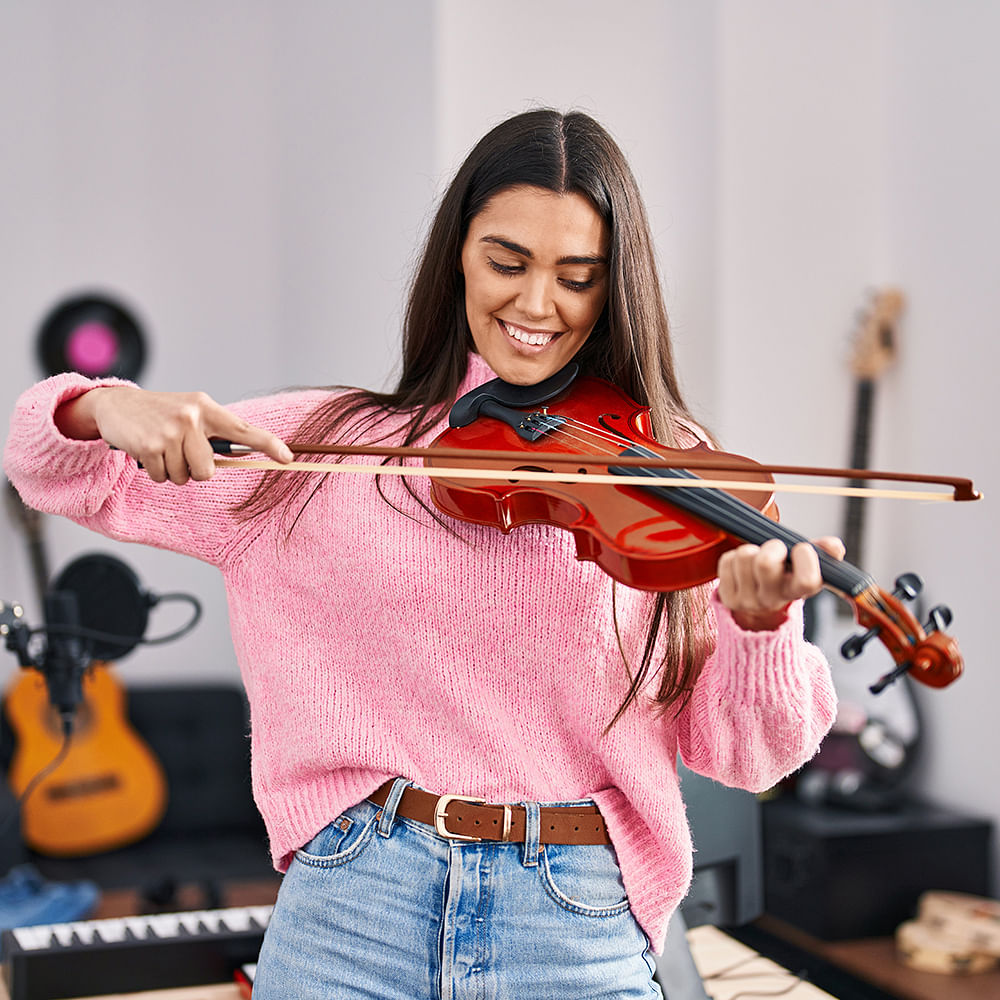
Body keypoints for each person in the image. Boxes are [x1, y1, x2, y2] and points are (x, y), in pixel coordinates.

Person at [4, 109, 839, 998]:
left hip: (574, 920)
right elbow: (56, 474)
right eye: (506, 263)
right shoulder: (326, 450)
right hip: (353, 905)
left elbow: (753, 757)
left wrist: (761, 627)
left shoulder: (667, 472)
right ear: (458, 259)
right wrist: (96, 408)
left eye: (576, 277)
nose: (534, 305)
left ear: (614, 288)